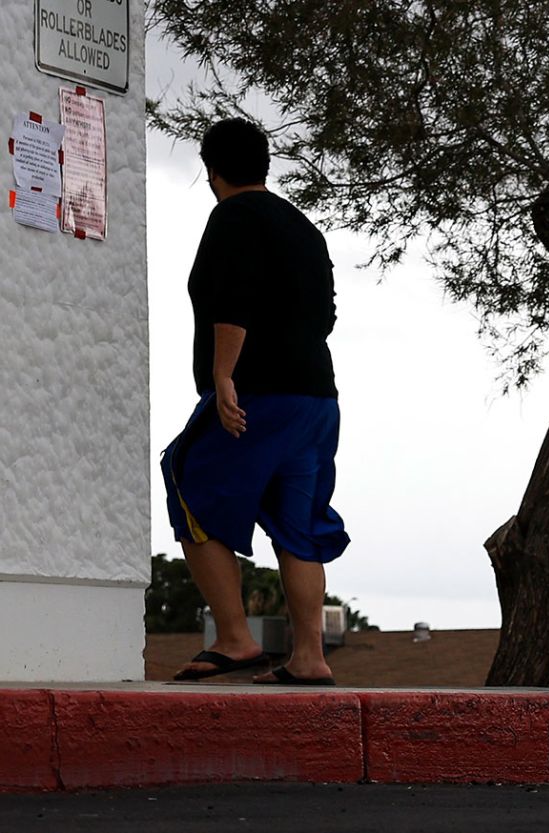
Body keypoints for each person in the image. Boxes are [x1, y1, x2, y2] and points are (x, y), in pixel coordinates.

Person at [161, 118, 349, 686]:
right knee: (299, 525)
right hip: (316, 399)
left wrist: (223, 375)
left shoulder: (232, 217)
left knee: (186, 477)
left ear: (210, 169)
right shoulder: (302, 226)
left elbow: (233, 299)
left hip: (257, 395)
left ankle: (236, 639)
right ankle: (309, 658)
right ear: (264, 164)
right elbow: (327, 316)